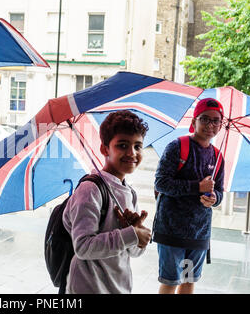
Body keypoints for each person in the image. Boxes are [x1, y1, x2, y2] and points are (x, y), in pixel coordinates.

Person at [62, 110, 152, 294]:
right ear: (105, 149)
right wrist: (131, 235)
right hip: (88, 287)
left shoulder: (130, 192)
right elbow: (83, 247)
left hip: (119, 286)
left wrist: (137, 237)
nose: (132, 153)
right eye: (122, 145)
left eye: (138, 146)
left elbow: (132, 252)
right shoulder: (90, 190)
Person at [153, 98, 225, 294]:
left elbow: (220, 192)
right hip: (171, 230)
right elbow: (161, 183)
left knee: (189, 281)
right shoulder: (177, 147)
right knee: (170, 281)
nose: (210, 125)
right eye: (205, 119)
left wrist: (214, 198)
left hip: (199, 232)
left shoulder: (218, 156)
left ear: (221, 124)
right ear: (194, 122)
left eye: (216, 120)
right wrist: (197, 187)